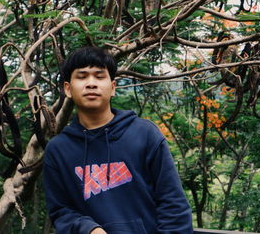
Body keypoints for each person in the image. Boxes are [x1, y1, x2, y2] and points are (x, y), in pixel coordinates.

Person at [43, 46, 193, 234]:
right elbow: (61, 211)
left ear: (113, 87)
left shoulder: (144, 134)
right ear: (68, 89)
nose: (91, 83)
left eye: (99, 76)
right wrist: (88, 229)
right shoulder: (58, 150)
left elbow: (173, 205)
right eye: (82, 76)